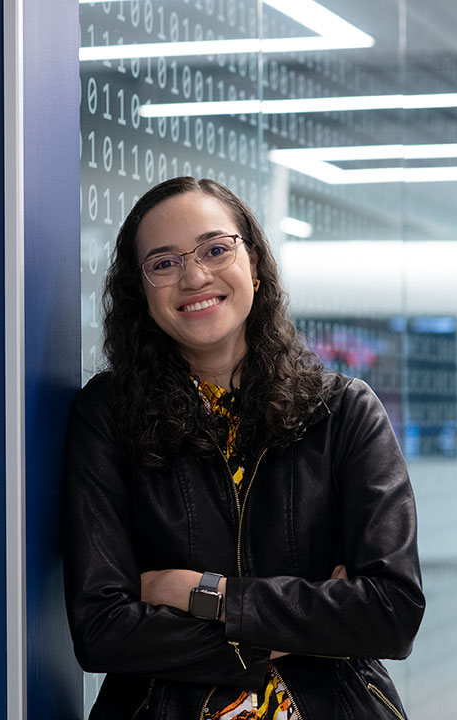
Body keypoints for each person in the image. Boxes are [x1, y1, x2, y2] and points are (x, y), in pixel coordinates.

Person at [63, 177, 424, 719]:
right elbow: (103, 631)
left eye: (215, 249)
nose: (194, 276)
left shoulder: (344, 411)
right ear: (142, 293)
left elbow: (390, 612)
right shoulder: (109, 415)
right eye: (163, 263)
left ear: (253, 263)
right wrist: (312, 623)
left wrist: (197, 593)